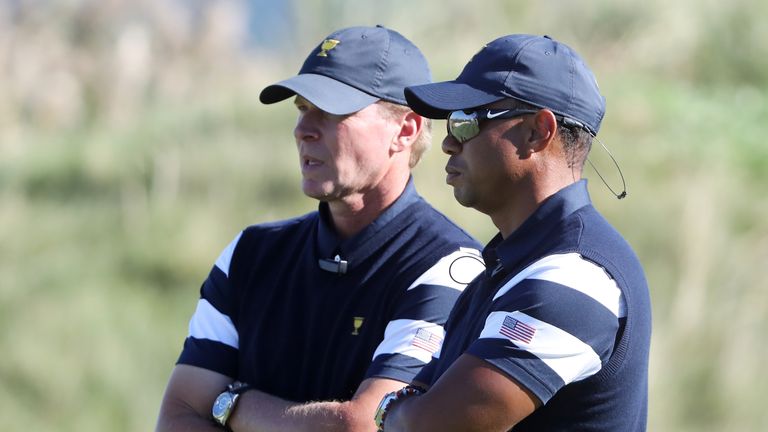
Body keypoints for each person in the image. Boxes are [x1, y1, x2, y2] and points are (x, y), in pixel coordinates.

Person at [155, 25, 484, 432]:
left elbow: (361, 426)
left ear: (406, 130)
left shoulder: (451, 268)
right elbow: (177, 415)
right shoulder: (249, 253)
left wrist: (230, 403)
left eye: (331, 111)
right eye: (301, 108)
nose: (303, 129)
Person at [375, 34, 652, 431]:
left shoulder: (574, 276)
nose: (449, 143)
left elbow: (427, 425)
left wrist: (391, 409)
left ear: (539, 131)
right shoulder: (514, 264)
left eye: (467, 121)